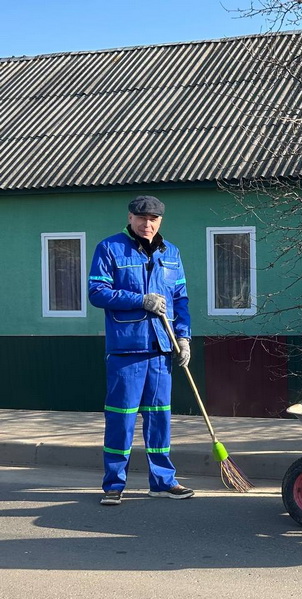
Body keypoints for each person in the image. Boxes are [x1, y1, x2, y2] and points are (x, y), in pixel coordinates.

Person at [89, 195, 194, 506]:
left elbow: (181, 299)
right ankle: (113, 484)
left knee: (159, 418)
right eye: (141, 218)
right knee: (121, 418)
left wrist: (184, 338)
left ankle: (162, 481)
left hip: (162, 348)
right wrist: (140, 300)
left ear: (160, 220)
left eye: (153, 219)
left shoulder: (171, 252)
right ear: (130, 218)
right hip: (126, 350)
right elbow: (97, 292)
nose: (147, 224)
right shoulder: (109, 248)